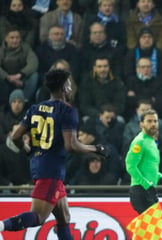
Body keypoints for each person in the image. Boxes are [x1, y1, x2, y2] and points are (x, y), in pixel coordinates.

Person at [0, 69, 109, 239]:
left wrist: (29, 151)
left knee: (64, 218)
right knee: (38, 217)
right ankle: (1, 225)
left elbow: (15, 137)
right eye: (69, 83)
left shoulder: (35, 108)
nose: (71, 87)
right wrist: (95, 149)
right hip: (51, 170)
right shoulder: (67, 110)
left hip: (40, 166)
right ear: (64, 87)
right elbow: (71, 145)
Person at [125, 109, 162, 214]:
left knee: (148, 228)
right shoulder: (139, 142)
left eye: (155, 121)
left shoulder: (151, 141)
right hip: (140, 190)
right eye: (149, 121)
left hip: (147, 190)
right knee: (153, 228)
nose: (153, 124)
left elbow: (148, 166)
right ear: (141, 124)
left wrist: (160, 177)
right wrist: (147, 185)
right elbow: (130, 166)